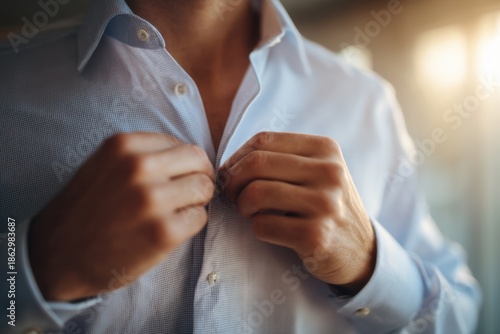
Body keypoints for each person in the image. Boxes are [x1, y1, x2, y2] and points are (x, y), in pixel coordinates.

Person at [0, 0, 481, 333]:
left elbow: (461, 317)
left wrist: (371, 263)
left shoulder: (366, 103)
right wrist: (37, 271)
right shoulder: (9, 88)